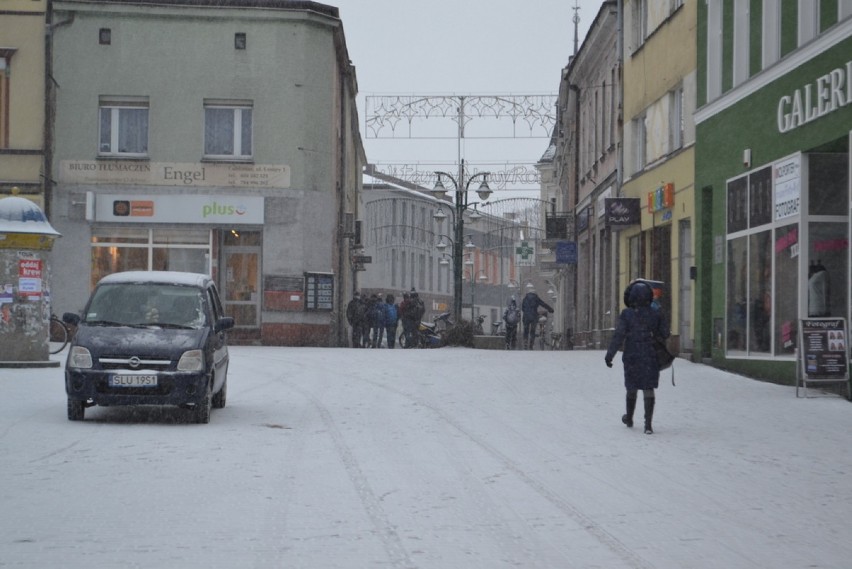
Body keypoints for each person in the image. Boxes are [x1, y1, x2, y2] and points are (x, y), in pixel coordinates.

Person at [604, 280, 671, 435]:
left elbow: (619, 335)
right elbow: (665, 333)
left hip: (632, 354)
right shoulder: (655, 313)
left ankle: (630, 418)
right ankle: (648, 424)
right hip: (650, 354)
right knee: (649, 387)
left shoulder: (627, 314)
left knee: (631, 386)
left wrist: (610, 355)